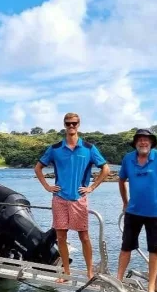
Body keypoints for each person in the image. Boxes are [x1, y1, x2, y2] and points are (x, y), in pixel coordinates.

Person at [34, 112, 110, 281]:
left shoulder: (89, 148)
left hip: (78, 199)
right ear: (64, 124)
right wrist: (47, 186)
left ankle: (90, 272)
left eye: (74, 123)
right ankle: (66, 273)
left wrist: (91, 187)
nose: (71, 126)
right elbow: (38, 168)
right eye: (68, 123)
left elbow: (105, 169)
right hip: (59, 198)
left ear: (79, 124)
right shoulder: (55, 149)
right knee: (61, 236)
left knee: (84, 236)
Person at [116, 129, 157, 292]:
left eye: (146, 140)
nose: (143, 143)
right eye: (140, 140)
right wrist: (125, 201)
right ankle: (118, 279)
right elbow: (121, 179)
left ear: (151, 143)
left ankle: (151, 286)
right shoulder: (128, 159)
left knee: (154, 250)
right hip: (133, 212)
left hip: (156, 214)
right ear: (135, 143)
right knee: (126, 247)